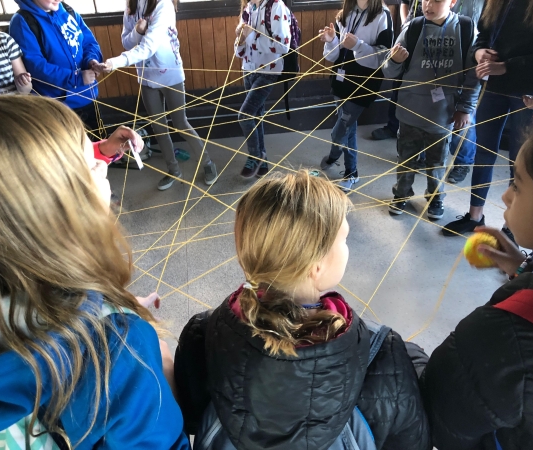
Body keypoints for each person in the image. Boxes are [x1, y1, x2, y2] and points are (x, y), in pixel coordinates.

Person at [0, 95, 189, 449]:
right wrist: (165, 379)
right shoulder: (119, 348)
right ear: (57, 208)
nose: (102, 167)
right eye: (90, 165)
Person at [174, 171, 430, 450]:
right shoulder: (382, 352)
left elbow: (190, 416)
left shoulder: (202, 334)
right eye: (344, 239)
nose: (347, 248)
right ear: (316, 265)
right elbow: (411, 441)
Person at [421, 129, 533, 449]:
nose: (505, 196)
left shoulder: (501, 334)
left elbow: (440, 413)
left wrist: (395, 350)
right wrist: (525, 268)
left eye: (516, 182)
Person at [98, 0, 219, 191]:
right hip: (146, 79)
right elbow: (126, 41)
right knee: (159, 127)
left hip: (171, 75)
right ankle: (173, 170)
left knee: (181, 124)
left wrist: (116, 62)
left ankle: (207, 163)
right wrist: (137, 30)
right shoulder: (131, 6)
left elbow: (149, 47)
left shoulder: (164, 5)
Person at [443, 0, 533, 236]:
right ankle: (475, 216)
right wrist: (479, 52)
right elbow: (483, 34)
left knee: (520, 160)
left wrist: (508, 66)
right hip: (493, 87)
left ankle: (511, 228)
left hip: (527, 89)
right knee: (483, 152)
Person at [383, 0, 480, 220]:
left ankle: (435, 197)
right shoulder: (413, 27)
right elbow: (388, 71)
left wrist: (466, 108)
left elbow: (474, 76)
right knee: (405, 159)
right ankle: (401, 193)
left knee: (437, 163)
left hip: (442, 115)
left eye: (436, 0)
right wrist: (395, 61)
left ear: (453, 2)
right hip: (409, 112)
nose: (428, 5)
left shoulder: (465, 29)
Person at [318, 0, 393, 190]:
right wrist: (331, 41)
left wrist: (357, 45)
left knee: (342, 128)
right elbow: (333, 56)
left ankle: (335, 155)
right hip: (340, 79)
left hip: (363, 84)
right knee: (348, 128)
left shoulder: (383, 16)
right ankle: (352, 172)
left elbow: (382, 58)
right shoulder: (345, 13)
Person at [9, 0, 103, 136]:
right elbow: (36, 66)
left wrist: (91, 60)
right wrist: (76, 78)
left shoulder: (68, 10)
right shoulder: (22, 21)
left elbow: (89, 43)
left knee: (98, 147)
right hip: (57, 106)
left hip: (88, 96)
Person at [233, 0, 291, 178]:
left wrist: (250, 37)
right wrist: (241, 39)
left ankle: (255, 155)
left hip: (268, 70)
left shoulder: (276, 6)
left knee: (245, 115)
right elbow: (239, 52)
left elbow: (283, 45)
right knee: (256, 116)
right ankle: (263, 163)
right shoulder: (248, 8)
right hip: (248, 69)